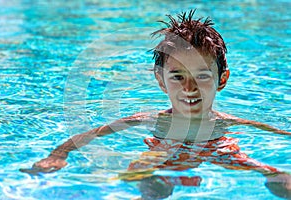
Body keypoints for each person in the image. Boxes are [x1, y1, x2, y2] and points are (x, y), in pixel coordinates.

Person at [21, 10, 291, 199]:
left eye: (202, 76)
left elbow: (275, 131)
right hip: (164, 155)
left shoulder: (222, 124)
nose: (189, 88)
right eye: (177, 76)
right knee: (140, 179)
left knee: (278, 176)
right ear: (161, 81)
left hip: (217, 150)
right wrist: (58, 154)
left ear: (222, 80)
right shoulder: (153, 120)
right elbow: (91, 135)